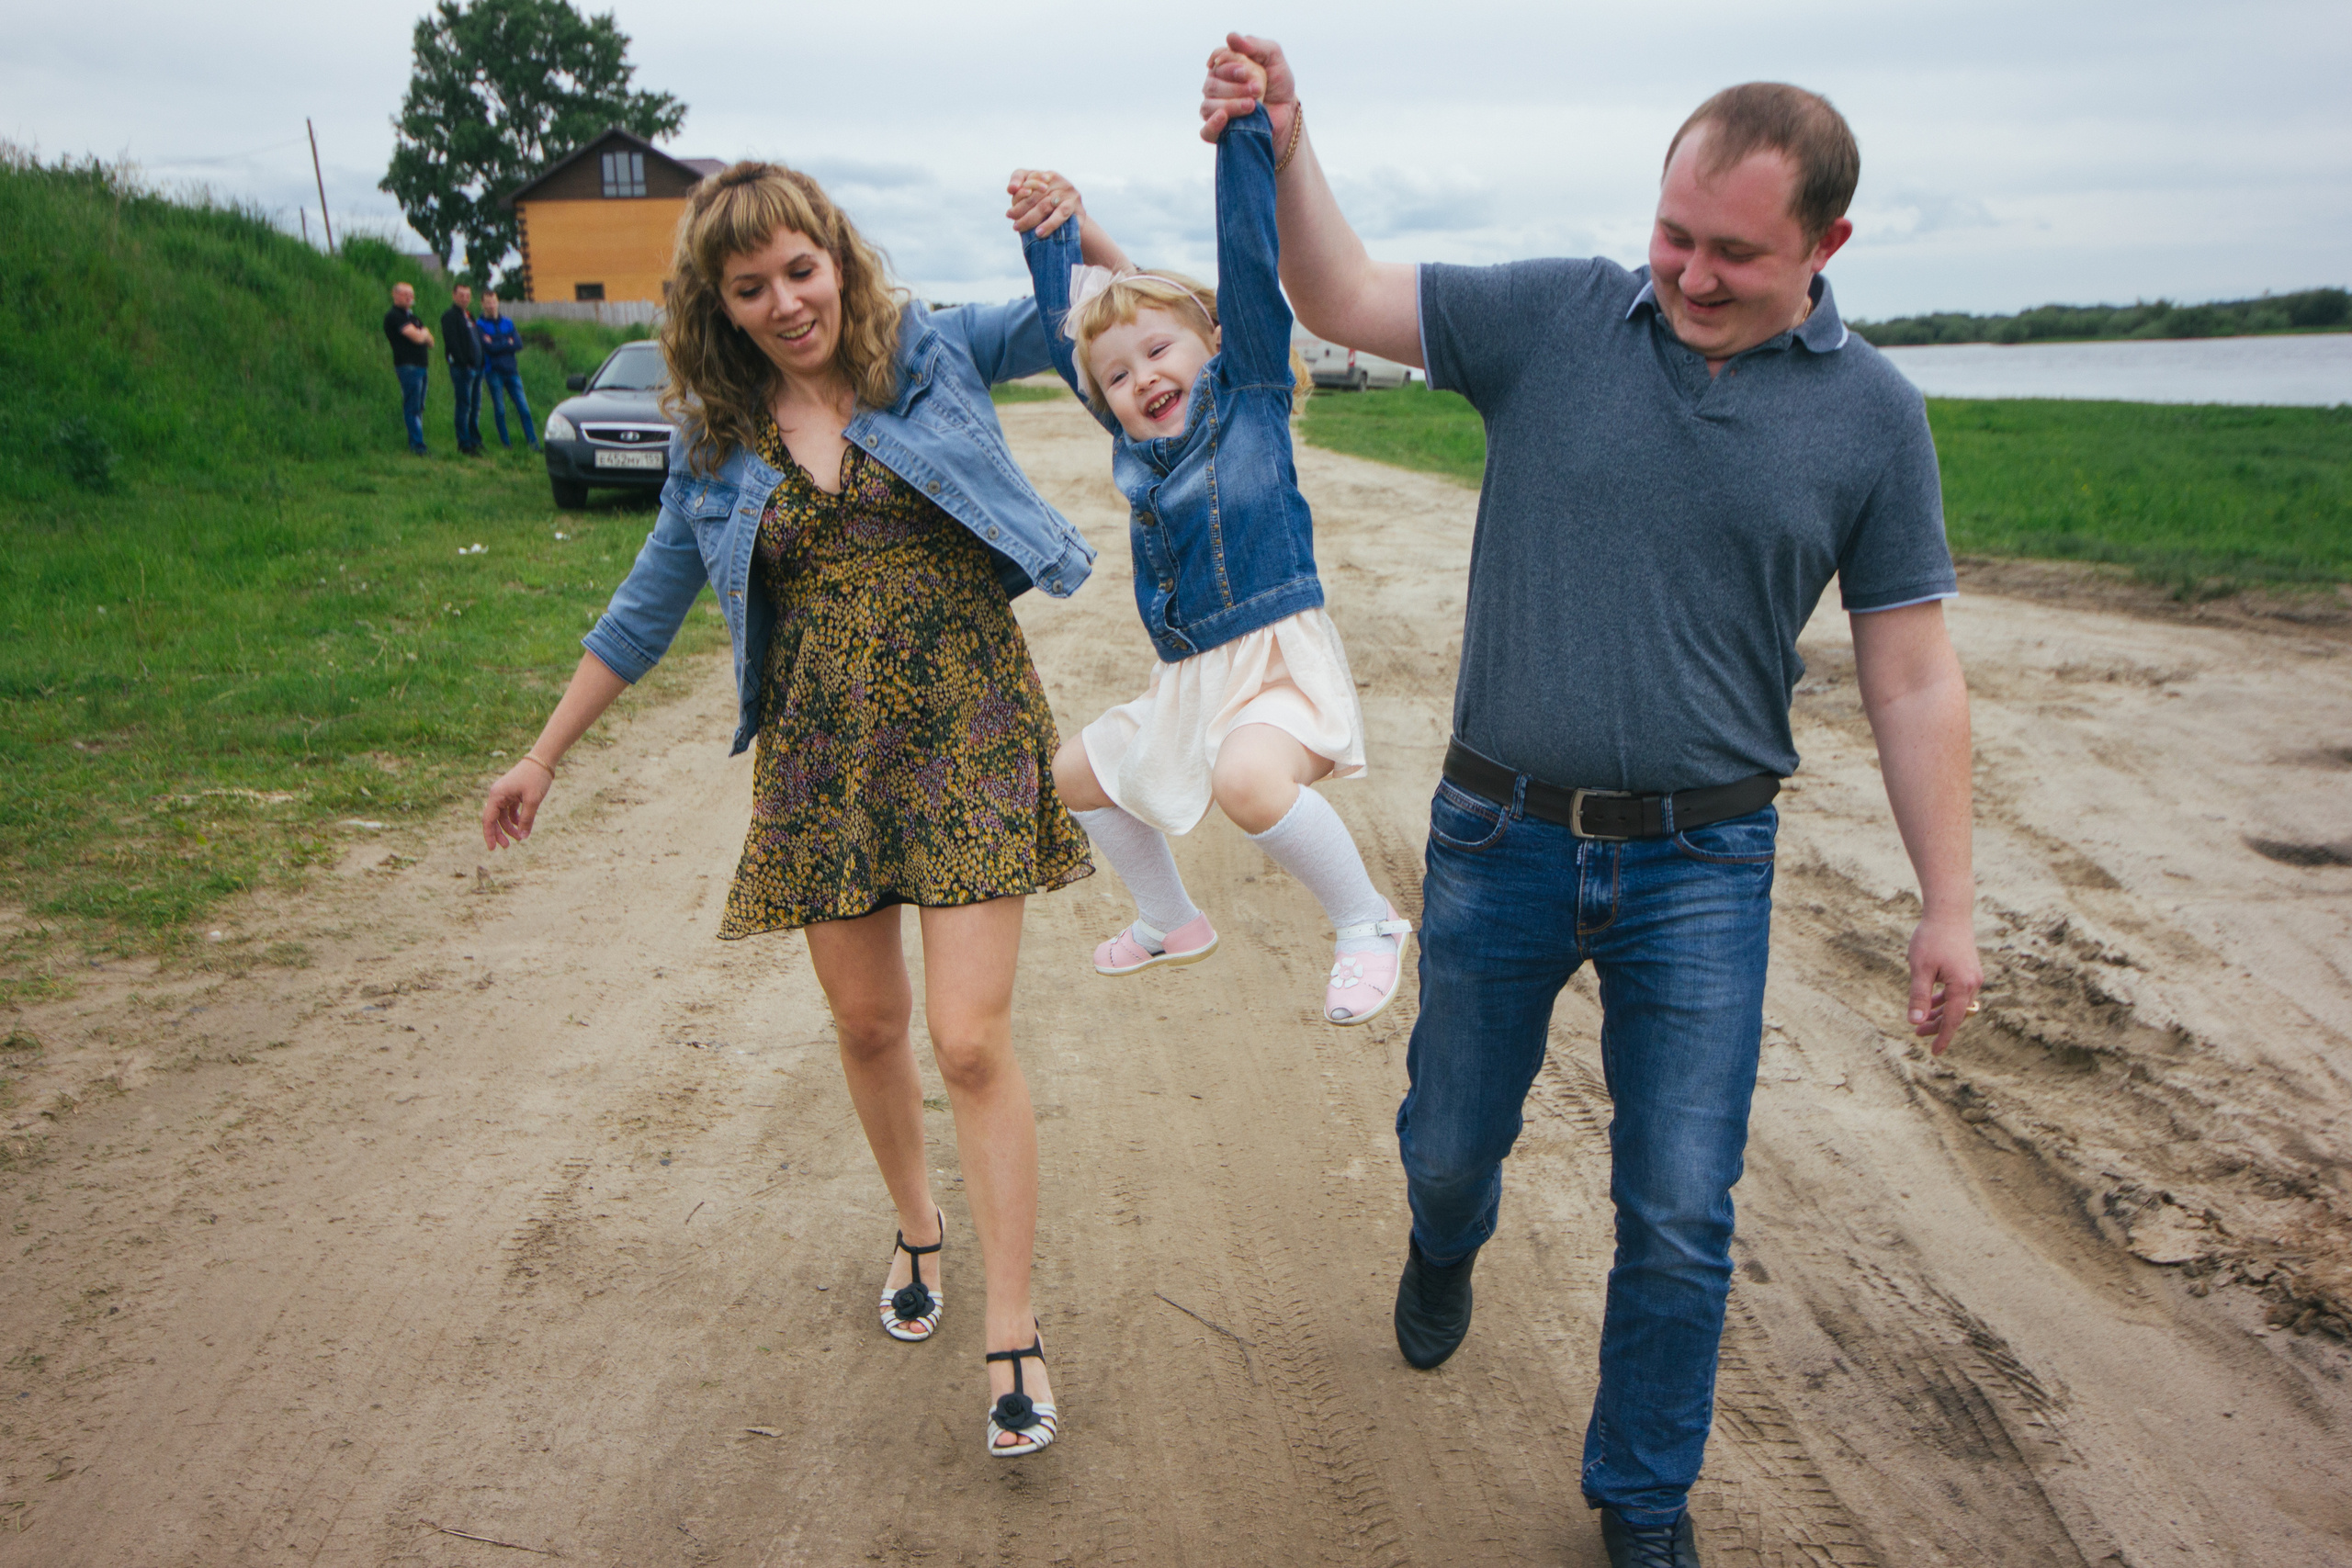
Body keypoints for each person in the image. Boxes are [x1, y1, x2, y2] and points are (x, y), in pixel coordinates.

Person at [1201, 38, 1982, 1568]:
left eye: (1735, 252)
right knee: (1449, 1143)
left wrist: (1948, 900)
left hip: (1707, 858)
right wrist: (1290, 143)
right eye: (1674, 232)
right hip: (1500, 835)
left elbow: (1912, 677)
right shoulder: (1555, 316)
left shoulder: (1875, 418)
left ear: (1826, 248)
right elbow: (1341, 293)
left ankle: (1641, 1502)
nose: (1689, 272)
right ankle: (1445, 1239)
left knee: (1682, 1208)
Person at [481, 160, 1128, 1460]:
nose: (786, 302)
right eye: (751, 287)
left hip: (966, 721)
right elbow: (643, 609)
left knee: (969, 1038)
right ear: (717, 306)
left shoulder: (930, 351)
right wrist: (543, 755)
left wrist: (1080, 225)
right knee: (869, 1020)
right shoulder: (717, 445)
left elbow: (1099, 323)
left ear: (837, 256)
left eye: (800, 269)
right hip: (823, 754)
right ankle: (917, 1224)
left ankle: (1013, 1324)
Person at [1017, 101, 1410, 1027]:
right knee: (1075, 772)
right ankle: (1170, 919)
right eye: (1117, 377)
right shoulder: (1137, 446)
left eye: (1161, 352)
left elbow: (1241, 258)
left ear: (1217, 345)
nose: (1141, 377)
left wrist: (1244, 138)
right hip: (1189, 677)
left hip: (1274, 663)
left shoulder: (1251, 401)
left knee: (1246, 782)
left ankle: (1367, 924)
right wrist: (1056, 231)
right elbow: (1077, 327)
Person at [476, 290, 538, 451]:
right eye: (488, 302)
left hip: (512, 371)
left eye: (494, 301)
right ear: (482, 304)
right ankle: (506, 444)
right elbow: (488, 348)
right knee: (500, 410)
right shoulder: (480, 325)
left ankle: (533, 443)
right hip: (493, 371)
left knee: (524, 409)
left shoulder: (508, 322)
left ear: (498, 302)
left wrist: (499, 343)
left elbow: (518, 344)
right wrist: (506, 342)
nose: (491, 305)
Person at [382, 282, 433, 455]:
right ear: (395, 295)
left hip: (422, 366)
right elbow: (419, 338)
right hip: (408, 366)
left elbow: (431, 342)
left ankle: (418, 441)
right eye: (405, 294)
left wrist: (423, 333)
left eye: (411, 294)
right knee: (412, 407)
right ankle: (417, 446)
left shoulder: (413, 317)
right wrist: (423, 332)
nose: (409, 297)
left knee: (419, 406)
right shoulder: (394, 316)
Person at [441, 284, 485, 455]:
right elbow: (452, 343)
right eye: (461, 295)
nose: (465, 298)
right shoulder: (450, 316)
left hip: (477, 368)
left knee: (475, 406)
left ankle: (475, 439)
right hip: (462, 369)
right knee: (464, 406)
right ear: (454, 296)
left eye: (468, 295)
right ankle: (464, 443)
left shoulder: (469, 316)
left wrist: (480, 362)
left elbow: (476, 340)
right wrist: (464, 362)